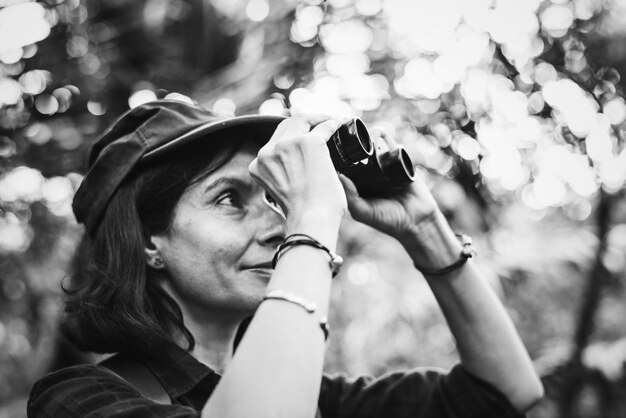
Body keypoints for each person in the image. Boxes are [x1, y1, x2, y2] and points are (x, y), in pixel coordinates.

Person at [27, 99, 543, 417]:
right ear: (147, 240)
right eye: (230, 199)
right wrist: (313, 216)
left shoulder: (317, 401)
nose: (279, 224)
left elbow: (506, 392)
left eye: (274, 200)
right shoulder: (78, 401)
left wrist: (426, 229)